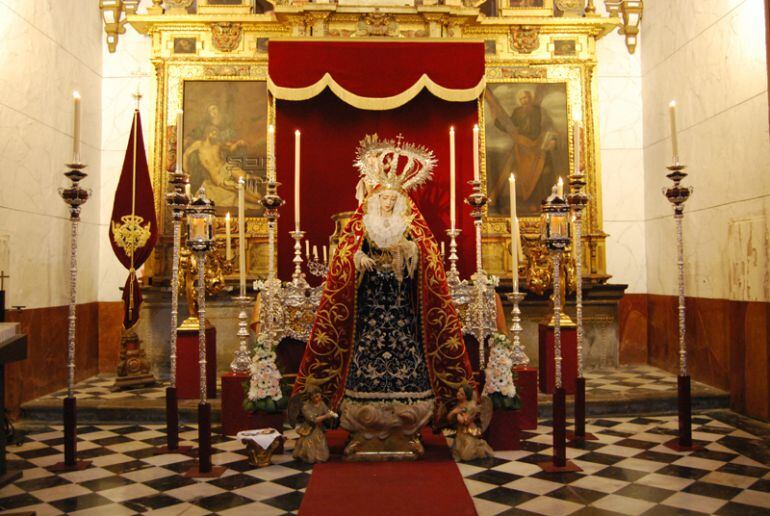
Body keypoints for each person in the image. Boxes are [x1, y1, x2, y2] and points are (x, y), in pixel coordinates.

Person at [293, 134, 474, 426]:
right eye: (384, 198)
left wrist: (409, 249)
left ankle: (412, 400)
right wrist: (358, 259)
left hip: (402, 302)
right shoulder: (364, 224)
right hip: (371, 299)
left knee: (404, 344)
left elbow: (425, 255)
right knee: (368, 345)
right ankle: (359, 399)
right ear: (376, 200)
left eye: (393, 199)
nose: (388, 202)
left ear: (400, 201)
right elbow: (347, 255)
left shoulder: (409, 224)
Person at [448, 385, 494, 462]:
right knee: (457, 452)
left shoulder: (471, 406)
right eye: (458, 392)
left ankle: (480, 447)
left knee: (466, 455)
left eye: (461, 393)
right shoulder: (459, 404)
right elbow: (449, 418)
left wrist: (458, 414)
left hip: (468, 432)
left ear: (466, 396)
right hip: (460, 432)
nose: (458, 394)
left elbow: (465, 421)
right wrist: (453, 412)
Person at [291, 385, 336, 464]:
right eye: (315, 397)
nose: (318, 398)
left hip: (318, 427)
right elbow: (313, 420)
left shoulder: (321, 403)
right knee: (309, 442)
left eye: (319, 396)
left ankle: (319, 456)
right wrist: (326, 416)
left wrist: (331, 414)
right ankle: (308, 456)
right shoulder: (306, 407)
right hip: (310, 427)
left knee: (320, 441)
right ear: (310, 397)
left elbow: (326, 411)